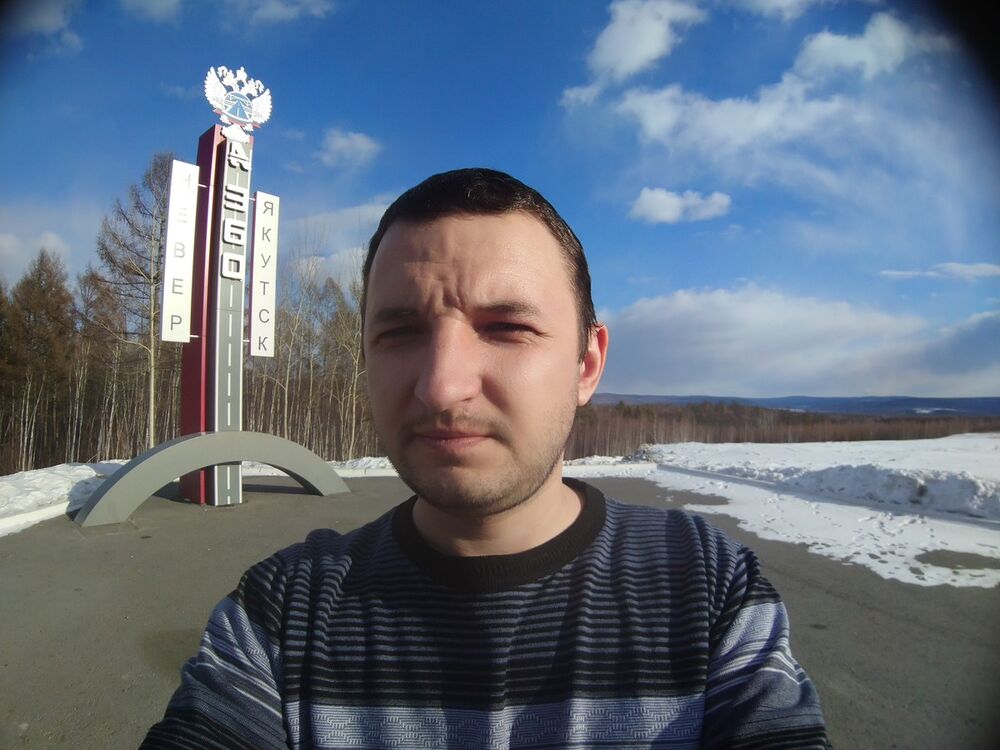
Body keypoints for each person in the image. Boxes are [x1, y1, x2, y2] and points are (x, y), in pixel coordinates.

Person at [143, 168, 829, 749]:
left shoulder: (705, 586)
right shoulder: (283, 614)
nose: (442, 386)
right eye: (401, 332)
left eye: (506, 328)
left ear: (587, 364)